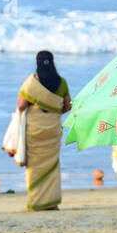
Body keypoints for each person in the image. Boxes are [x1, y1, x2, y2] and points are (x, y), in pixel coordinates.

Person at [17, 51, 72, 211]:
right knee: (52, 165)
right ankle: (52, 204)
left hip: (34, 129)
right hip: (53, 129)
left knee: (34, 167)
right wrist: (54, 112)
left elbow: (21, 106)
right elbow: (68, 106)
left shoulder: (32, 83)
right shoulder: (62, 82)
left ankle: (35, 203)